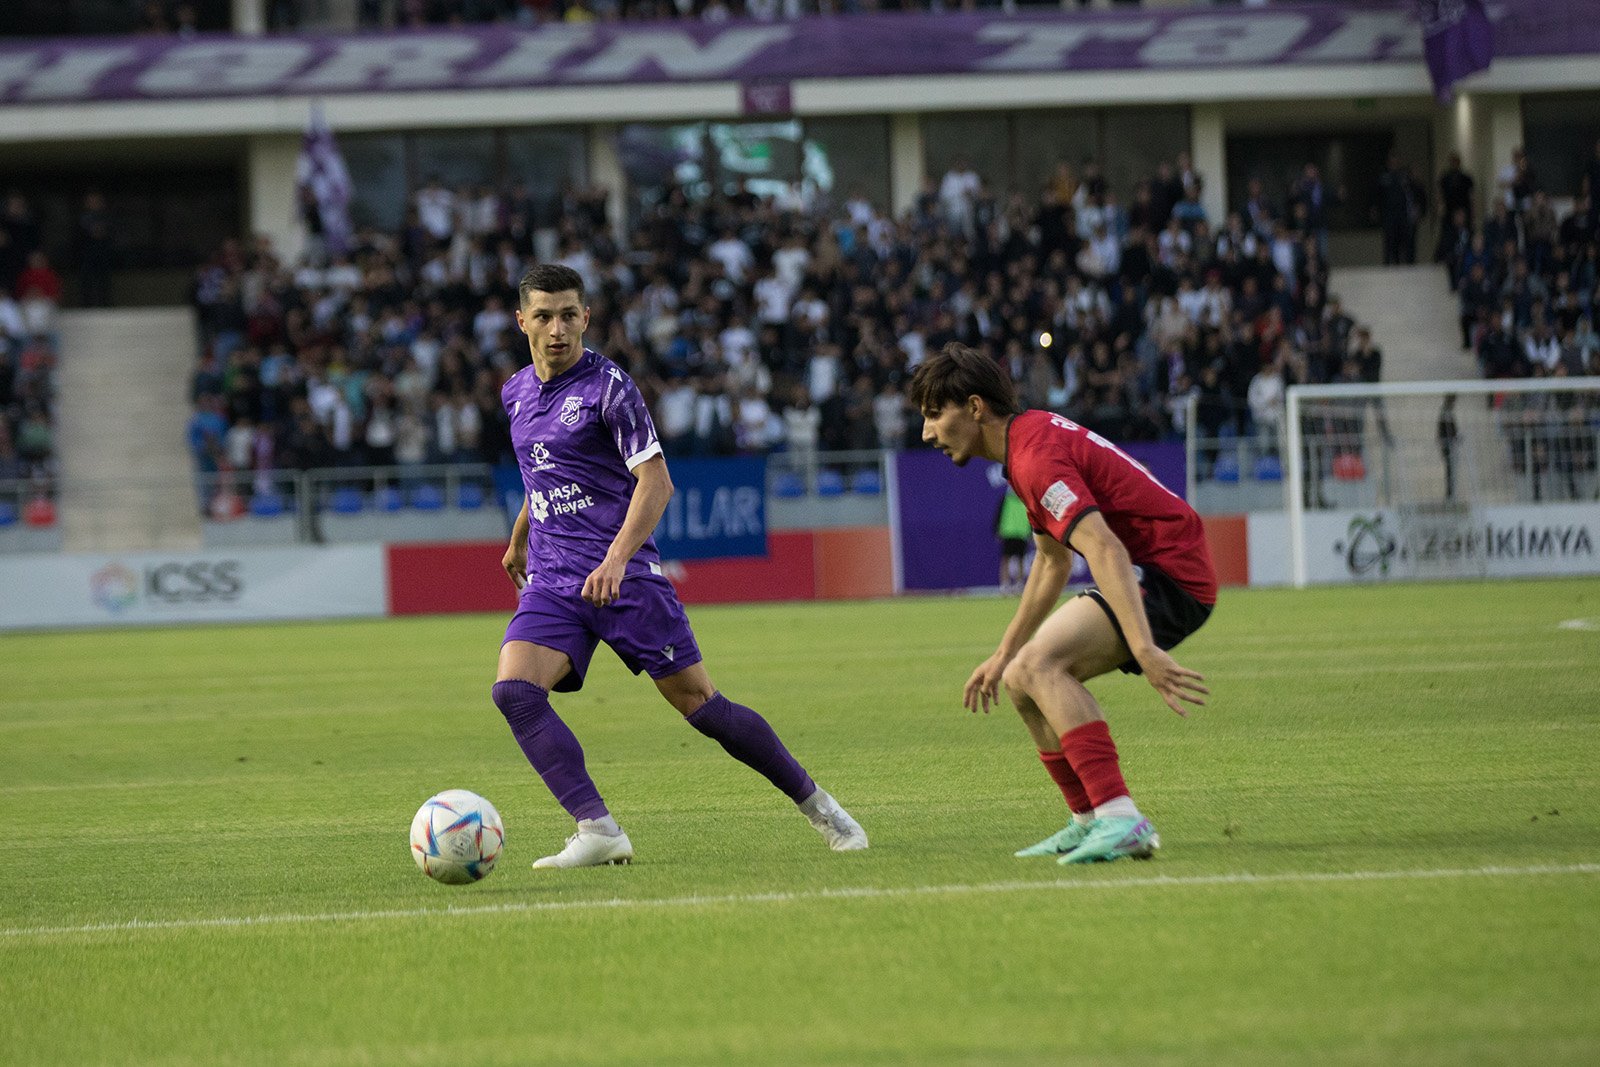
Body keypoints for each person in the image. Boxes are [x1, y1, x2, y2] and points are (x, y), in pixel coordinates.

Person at [493, 264, 867, 869]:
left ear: (586, 317)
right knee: (515, 692)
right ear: (522, 322)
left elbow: (656, 482)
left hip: (624, 580)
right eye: (543, 316)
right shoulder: (515, 393)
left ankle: (820, 806)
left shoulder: (610, 388)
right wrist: (519, 538)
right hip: (555, 580)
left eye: (567, 315)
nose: (557, 329)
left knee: (703, 708)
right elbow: (543, 475)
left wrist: (616, 558)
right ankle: (597, 828)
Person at [909, 343, 1215, 865]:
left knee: (1042, 666)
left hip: (1171, 573)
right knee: (1019, 677)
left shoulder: (1034, 457)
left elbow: (1105, 548)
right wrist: (1002, 653)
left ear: (975, 407)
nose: (926, 432)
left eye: (935, 414)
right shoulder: (1025, 445)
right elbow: (1052, 562)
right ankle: (1089, 820)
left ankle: (1121, 818)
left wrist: (1144, 648)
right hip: (1154, 568)